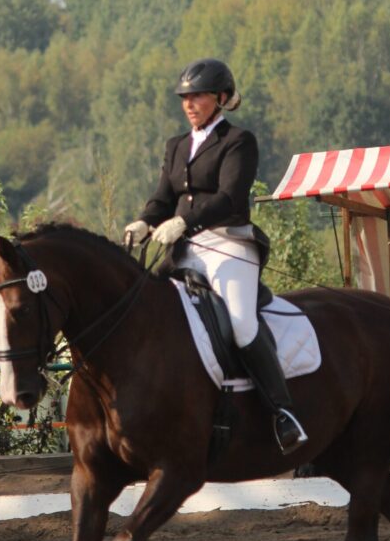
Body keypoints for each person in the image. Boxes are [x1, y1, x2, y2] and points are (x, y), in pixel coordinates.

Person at [124, 58, 308, 454]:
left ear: (221, 99)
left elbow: (229, 197)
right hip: (185, 250)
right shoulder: (176, 146)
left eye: (199, 96)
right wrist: (144, 221)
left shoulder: (239, 141)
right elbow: (162, 198)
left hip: (229, 245)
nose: (190, 104)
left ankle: (283, 413)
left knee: (241, 323)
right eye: (185, 97)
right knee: (148, 310)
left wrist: (182, 221)